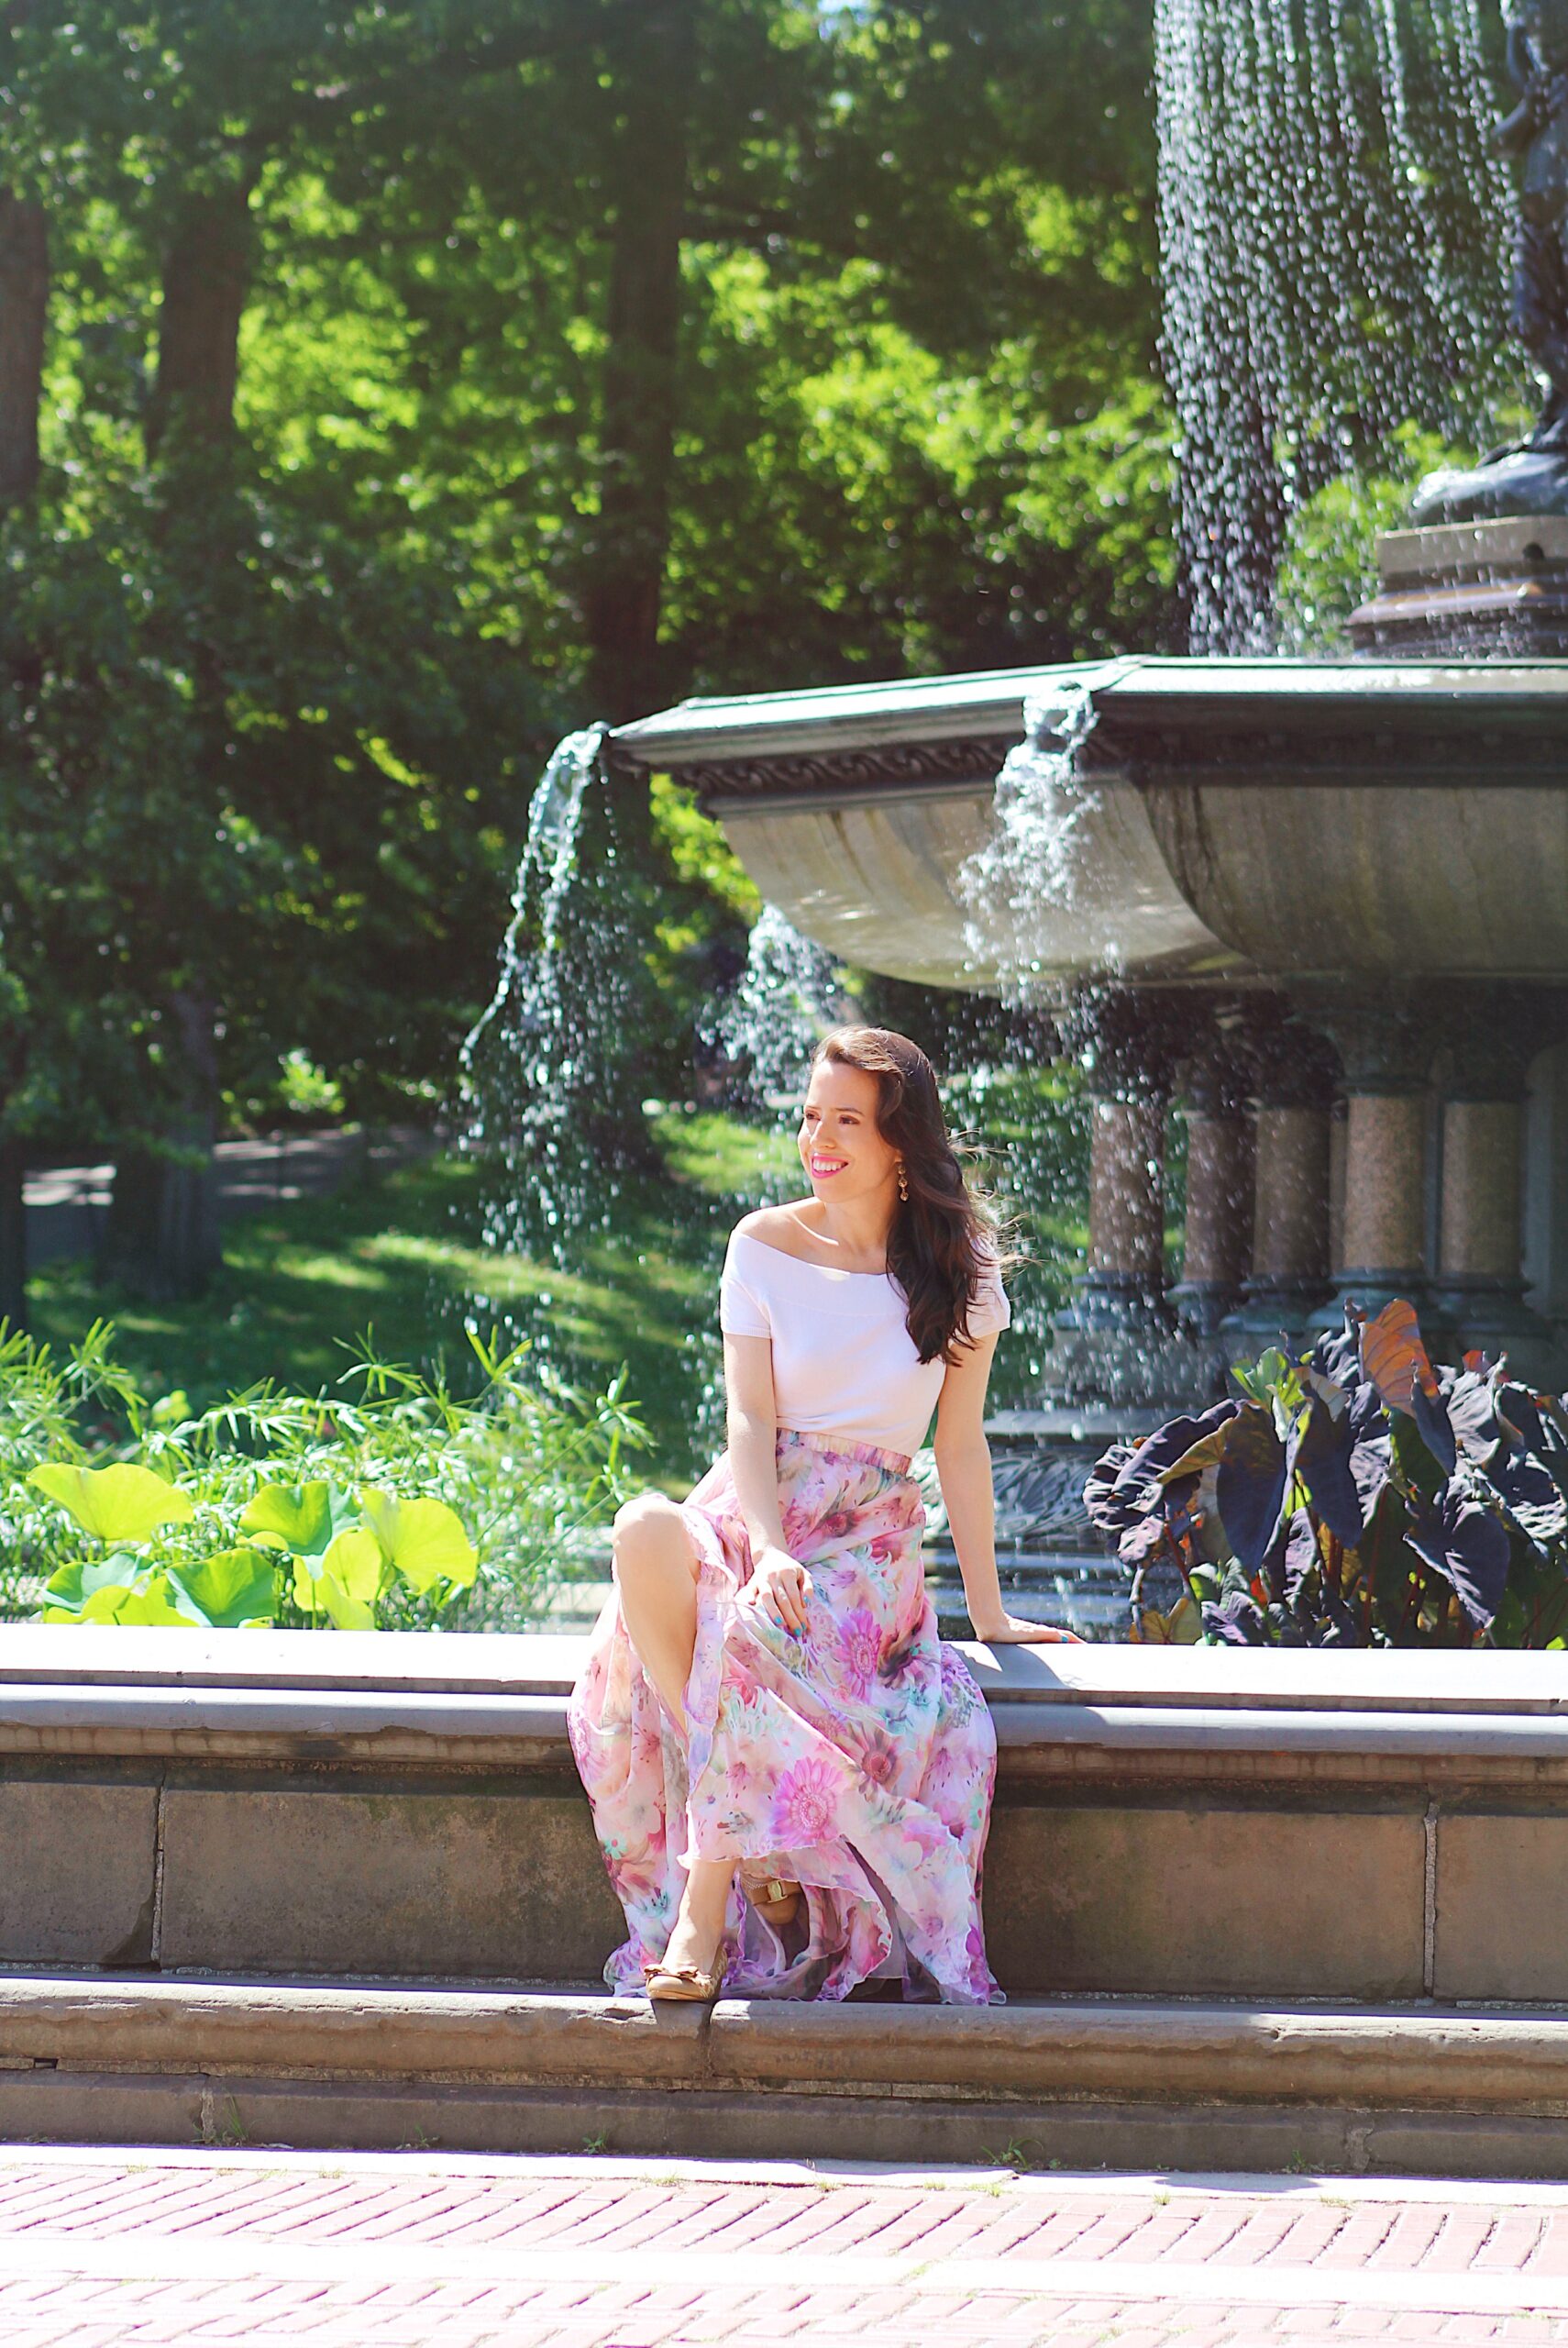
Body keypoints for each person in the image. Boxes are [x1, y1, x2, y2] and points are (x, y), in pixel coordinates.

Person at [568, 1024, 1078, 2008]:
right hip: (757, 1508)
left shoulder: (962, 1272)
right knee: (643, 1528)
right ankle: (748, 1842)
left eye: (846, 1118)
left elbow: (959, 1451)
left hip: (867, 1539)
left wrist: (991, 1612)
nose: (819, 1137)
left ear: (901, 1141)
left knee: (751, 1630)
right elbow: (751, 1421)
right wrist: (761, 1545)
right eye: (810, 1116)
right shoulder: (761, 1245)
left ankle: (705, 1902)